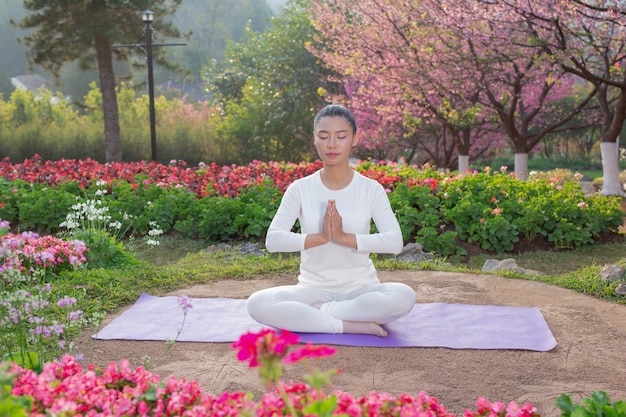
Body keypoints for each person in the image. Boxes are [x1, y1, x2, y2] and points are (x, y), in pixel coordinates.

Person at [246, 104, 416, 336]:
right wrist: (321, 238)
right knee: (257, 303)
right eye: (324, 136)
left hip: (361, 290)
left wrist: (345, 238)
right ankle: (344, 324)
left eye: (341, 136)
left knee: (403, 297)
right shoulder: (300, 189)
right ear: (315, 139)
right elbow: (273, 241)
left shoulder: (370, 189)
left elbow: (394, 242)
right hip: (312, 289)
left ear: (355, 138)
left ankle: (317, 313)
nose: (332, 144)